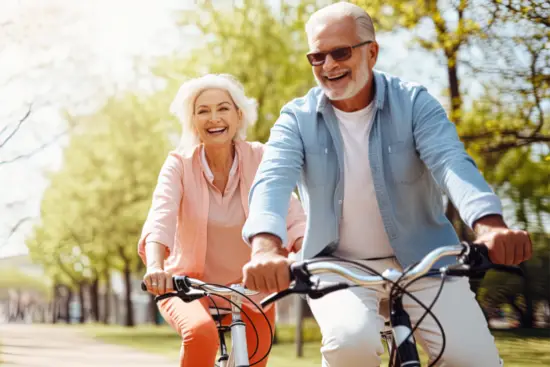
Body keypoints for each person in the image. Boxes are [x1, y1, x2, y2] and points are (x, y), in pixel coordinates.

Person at [241, 2, 532, 366]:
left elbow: (451, 162)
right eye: (317, 57)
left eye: (340, 52)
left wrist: (490, 226)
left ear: (372, 51)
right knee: (352, 345)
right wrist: (265, 249)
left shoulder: (414, 103)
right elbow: (271, 181)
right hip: (337, 267)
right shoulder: (296, 119)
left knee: (473, 359)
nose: (328, 66)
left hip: (426, 263)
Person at [137, 73, 306, 367]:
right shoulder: (179, 164)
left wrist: (305, 253)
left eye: (223, 108)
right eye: (203, 111)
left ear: (239, 116)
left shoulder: (261, 158)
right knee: (201, 334)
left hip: (253, 287)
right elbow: (160, 217)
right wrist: (155, 267)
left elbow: (291, 214)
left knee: (254, 359)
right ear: (193, 122)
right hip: (187, 286)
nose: (214, 118)